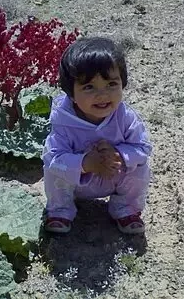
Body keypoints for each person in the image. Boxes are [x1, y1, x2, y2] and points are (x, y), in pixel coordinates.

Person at [41, 37, 152, 234]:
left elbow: (143, 148)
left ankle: (126, 208)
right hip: (76, 183)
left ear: (123, 84)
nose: (102, 95)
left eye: (111, 84)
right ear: (71, 94)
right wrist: (85, 164)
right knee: (52, 169)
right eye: (89, 87)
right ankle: (61, 210)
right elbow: (53, 159)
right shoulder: (62, 121)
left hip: (113, 176)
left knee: (141, 165)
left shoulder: (125, 117)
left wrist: (119, 154)